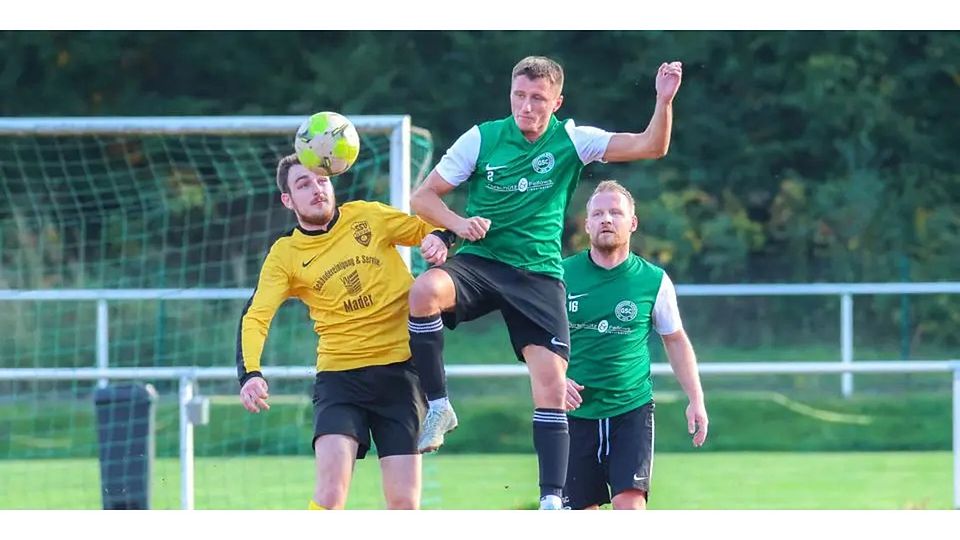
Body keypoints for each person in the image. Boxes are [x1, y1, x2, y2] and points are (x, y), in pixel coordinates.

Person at [406, 55, 683, 509]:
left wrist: (664, 100)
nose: (527, 106)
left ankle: (552, 501)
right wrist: (457, 224)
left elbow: (651, 146)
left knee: (553, 386)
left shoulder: (573, 140)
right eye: (519, 96)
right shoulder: (482, 138)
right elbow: (423, 197)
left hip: (537, 275)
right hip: (482, 261)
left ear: (557, 101)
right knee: (424, 292)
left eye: (538, 98)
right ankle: (438, 405)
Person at [236, 154, 454, 510]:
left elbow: (424, 229)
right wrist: (250, 373)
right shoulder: (285, 254)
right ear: (288, 200)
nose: (316, 189)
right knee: (330, 496)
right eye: (303, 184)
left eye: (321, 180)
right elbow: (257, 315)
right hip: (340, 378)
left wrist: (439, 239)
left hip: (401, 373)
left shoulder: (368, 215)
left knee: (404, 503)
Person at [561, 180, 708, 510]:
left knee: (630, 506)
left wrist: (695, 398)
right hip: (573, 411)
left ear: (632, 223)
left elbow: (675, 339)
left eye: (615, 212)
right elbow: (535, 336)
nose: (606, 220)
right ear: (586, 225)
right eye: (597, 214)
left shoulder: (653, 280)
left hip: (631, 410)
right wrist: (553, 378)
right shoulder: (560, 275)